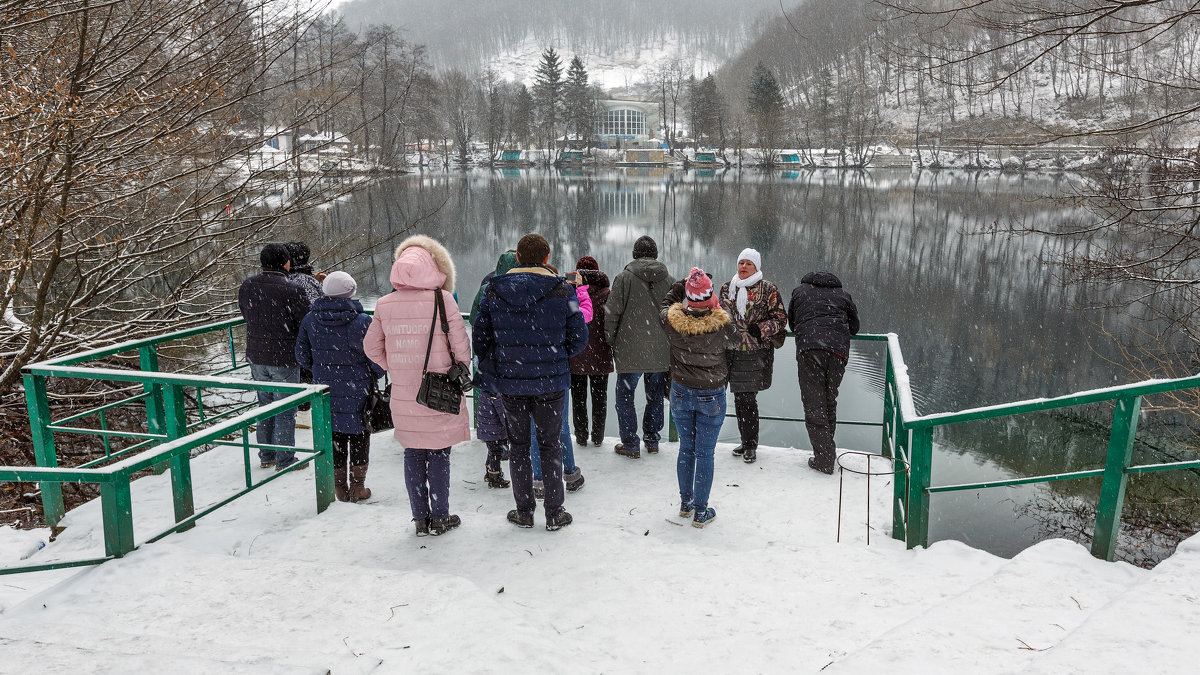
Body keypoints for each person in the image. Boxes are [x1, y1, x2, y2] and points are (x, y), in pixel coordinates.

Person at [473, 233, 588, 531]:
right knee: (550, 445)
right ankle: (554, 513)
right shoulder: (563, 291)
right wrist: (556, 357)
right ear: (547, 258)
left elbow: (480, 339)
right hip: (550, 383)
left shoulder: (492, 291)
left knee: (520, 446)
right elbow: (579, 338)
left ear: (519, 258)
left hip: (511, 383)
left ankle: (524, 511)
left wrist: (503, 362)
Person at [364, 235, 470, 536]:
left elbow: (370, 347)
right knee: (438, 453)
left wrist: (395, 366)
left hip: (404, 394)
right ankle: (440, 517)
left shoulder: (384, 304)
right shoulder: (444, 299)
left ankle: (420, 519)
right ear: (433, 266)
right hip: (438, 393)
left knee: (413, 453)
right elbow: (461, 349)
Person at [295, 271, 385, 502]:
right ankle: (358, 487)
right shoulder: (363, 322)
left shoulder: (310, 320)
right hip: (359, 389)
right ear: (351, 292)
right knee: (359, 435)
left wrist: (319, 370)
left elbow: (302, 355)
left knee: (334, 435)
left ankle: (339, 489)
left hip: (325, 389)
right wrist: (372, 374)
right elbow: (377, 359)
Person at [660, 268, 739, 528]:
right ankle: (701, 512)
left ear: (688, 297)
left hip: (681, 390)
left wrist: (680, 286)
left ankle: (685, 503)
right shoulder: (722, 324)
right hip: (711, 393)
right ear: (711, 296)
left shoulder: (672, 321)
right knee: (705, 453)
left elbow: (665, 304)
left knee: (686, 448)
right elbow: (738, 341)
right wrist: (718, 306)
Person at [238, 243, 311, 471]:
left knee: (265, 405)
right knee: (286, 410)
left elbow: (245, 313)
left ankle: (266, 455)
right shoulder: (292, 289)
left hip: (256, 355)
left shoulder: (248, 286)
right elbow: (305, 322)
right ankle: (286, 460)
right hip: (284, 356)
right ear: (285, 263)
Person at [605, 235, 673, 458]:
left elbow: (612, 313)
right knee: (654, 395)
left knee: (625, 396)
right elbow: (675, 316)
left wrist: (610, 340)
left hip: (629, 348)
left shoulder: (624, 278)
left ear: (634, 254)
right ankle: (652, 439)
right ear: (655, 254)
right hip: (660, 349)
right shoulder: (669, 280)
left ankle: (631, 444)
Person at [717, 248, 787, 464]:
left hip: (755, 353)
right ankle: (744, 440)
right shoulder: (728, 288)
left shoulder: (768, 290)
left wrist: (762, 329)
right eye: (741, 263)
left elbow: (781, 319)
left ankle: (750, 445)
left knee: (747, 399)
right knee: (736, 398)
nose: (743, 267)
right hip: (730, 352)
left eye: (748, 263)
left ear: (756, 267)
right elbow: (719, 315)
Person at [788, 271, 860, 475]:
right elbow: (854, 327)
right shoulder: (843, 295)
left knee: (813, 404)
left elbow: (792, 323)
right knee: (829, 401)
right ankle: (826, 451)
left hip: (810, 349)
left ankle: (824, 458)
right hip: (838, 352)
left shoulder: (800, 292)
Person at [469, 251, 520, 490]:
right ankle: (519, 470)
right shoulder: (519, 288)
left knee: (490, 416)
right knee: (512, 415)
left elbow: (474, 321)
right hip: (510, 364)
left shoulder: (487, 286)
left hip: (488, 365)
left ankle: (493, 465)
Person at [569, 255, 614, 447]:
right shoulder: (607, 293)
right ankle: (597, 437)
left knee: (578, 398)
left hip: (577, 354)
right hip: (601, 353)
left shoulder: (570, 293)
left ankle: (581, 436)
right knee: (600, 397)